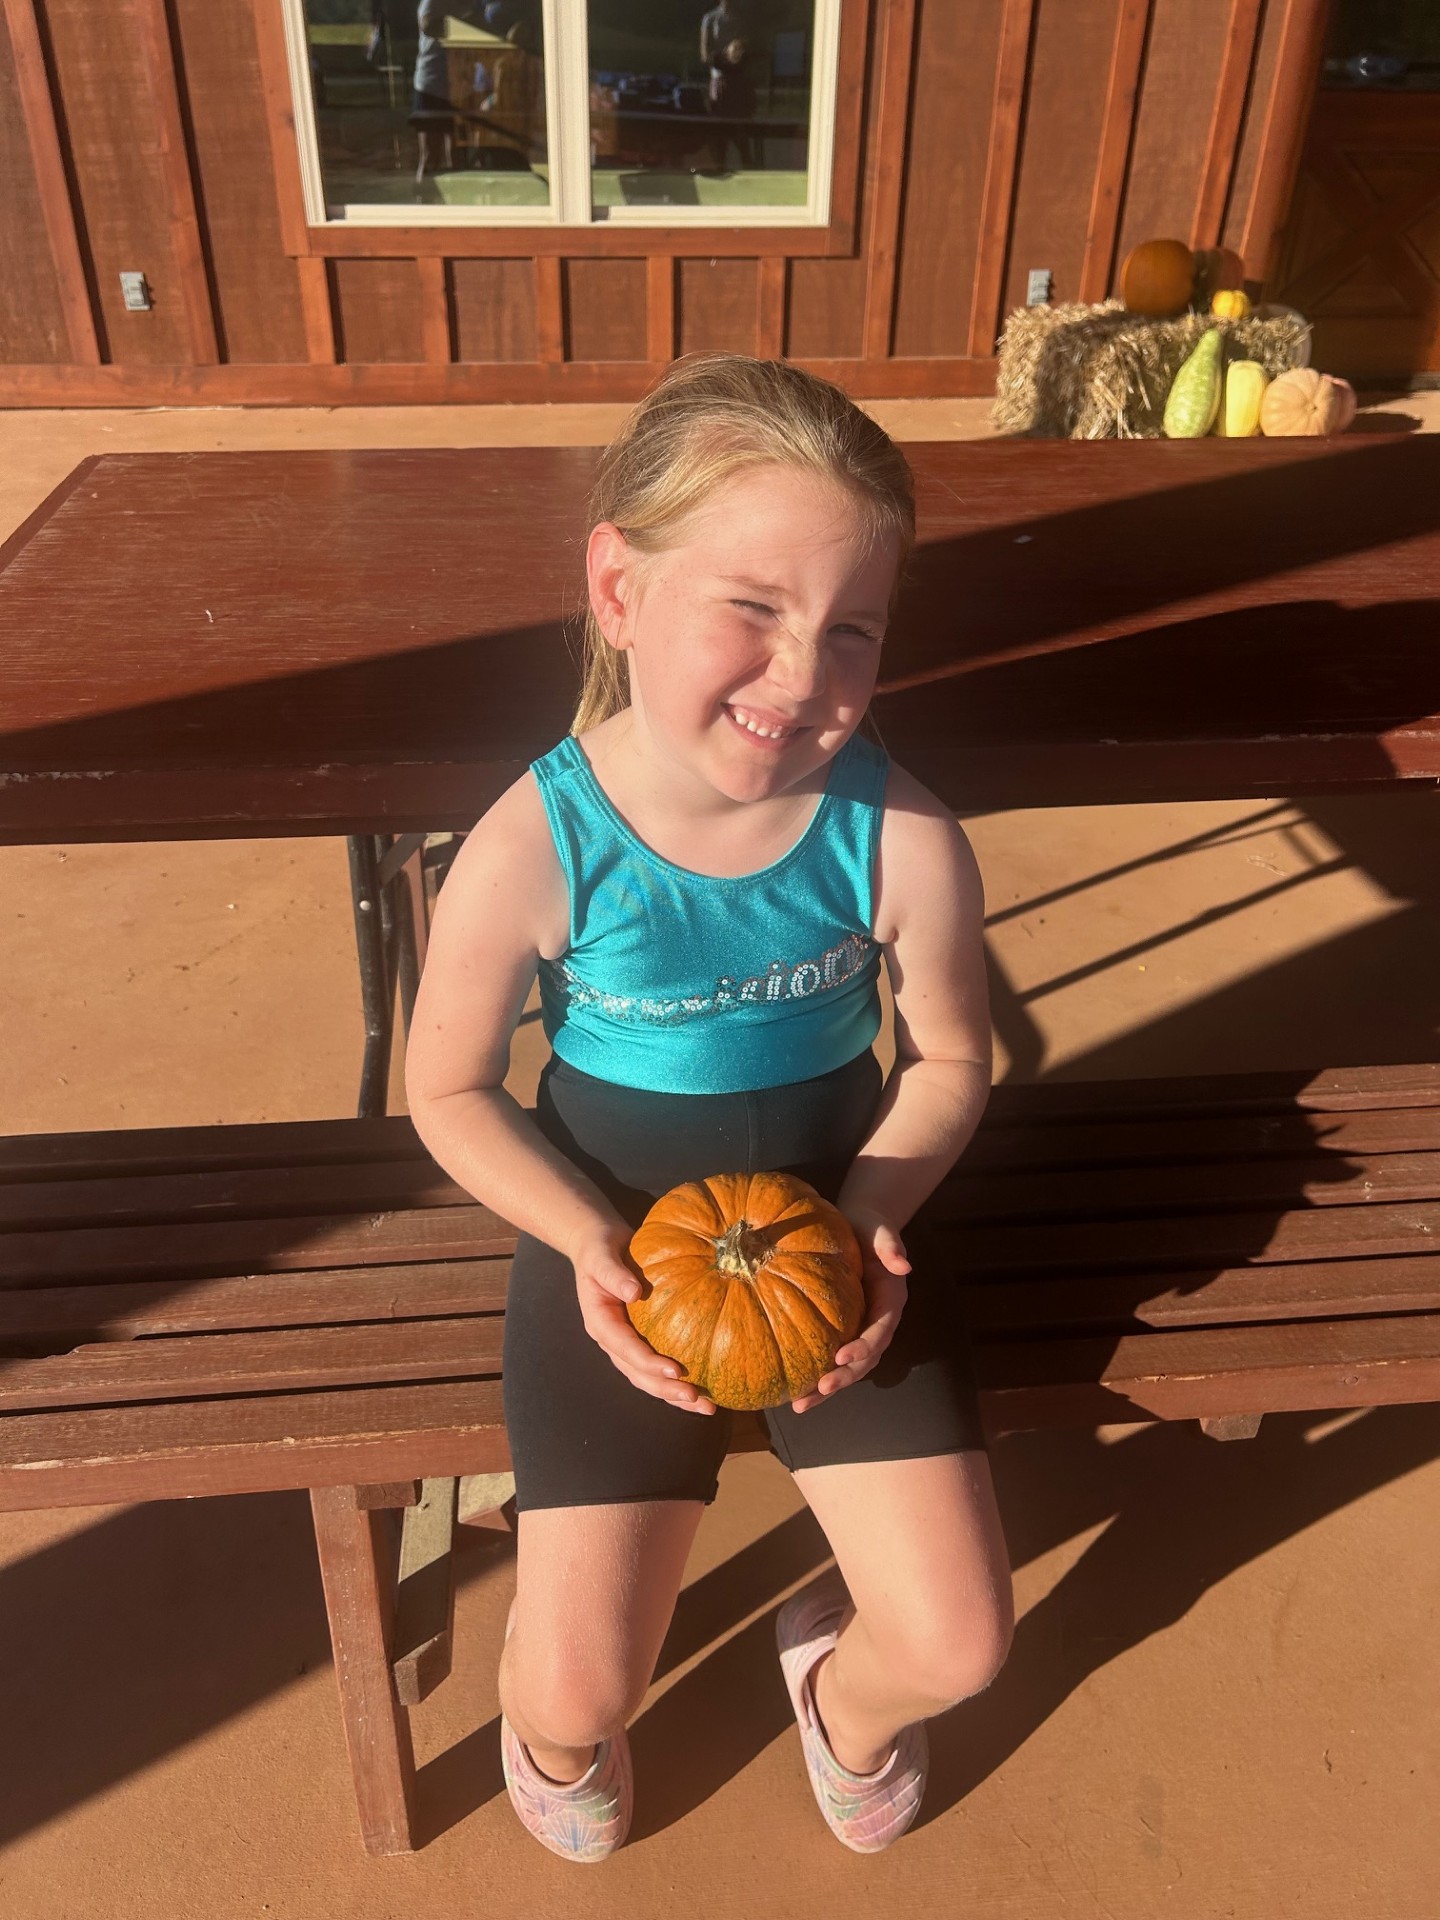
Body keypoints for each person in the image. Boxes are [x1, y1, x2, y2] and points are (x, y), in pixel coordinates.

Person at [405, 353, 1014, 1864]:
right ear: (619, 583)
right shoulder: (540, 842)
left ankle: (839, 1688)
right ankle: (548, 1714)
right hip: (609, 1249)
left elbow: (948, 1059)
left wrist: (874, 1214)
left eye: (852, 626)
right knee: (576, 1687)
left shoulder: (901, 835)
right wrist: (585, 1249)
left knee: (953, 1647)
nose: (804, 675)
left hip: (844, 1247)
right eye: (752, 606)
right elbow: (447, 1087)